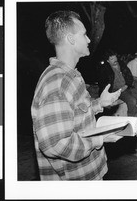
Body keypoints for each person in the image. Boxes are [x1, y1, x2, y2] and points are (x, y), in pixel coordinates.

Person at [31, 11, 121, 180]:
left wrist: (99, 103)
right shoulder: (56, 83)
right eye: (85, 34)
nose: (88, 39)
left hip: (90, 173)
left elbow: (75, 113)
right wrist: (98, 140)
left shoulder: (72, 75)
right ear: (71, 40)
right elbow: (55, 144)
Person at [99, 50, 137, 116]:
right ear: (108, 61)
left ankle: (135, 117)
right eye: (112, 59)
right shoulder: (105, 69)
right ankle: (131, 119)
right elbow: (103, 84)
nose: (115, 60)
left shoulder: (122, 65)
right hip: (117, 91)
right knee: (132, 101)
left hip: (127, 87)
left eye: (115, 58)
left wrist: (127, 85)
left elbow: (129, 77)